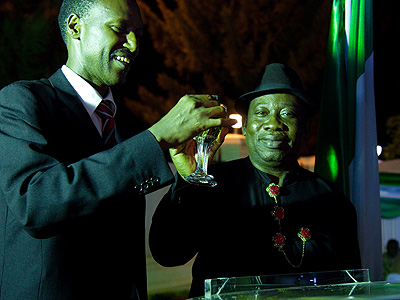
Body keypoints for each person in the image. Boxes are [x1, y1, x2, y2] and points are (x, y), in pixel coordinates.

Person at [0, 0, 235, 299]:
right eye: (120, 29)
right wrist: (157, 138)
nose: (134, 44)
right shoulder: (21, 102)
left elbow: (166, 249)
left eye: (137, 32)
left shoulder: (129, 125)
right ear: (75, 27)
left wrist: (190, 178)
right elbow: (36, 203)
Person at [149, 63, 362, 298]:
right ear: (247, 125)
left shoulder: (332, 202)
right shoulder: (212, 185)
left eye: (287, 113)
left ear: (306, 126)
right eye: (261, 113)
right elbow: (168, 254)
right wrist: (188, 179)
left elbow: (349, 288)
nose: (273, 124)